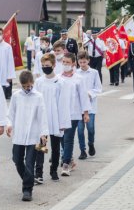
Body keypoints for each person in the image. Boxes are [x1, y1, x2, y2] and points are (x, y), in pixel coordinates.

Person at [7, 71, 49, 202]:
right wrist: (9, 125)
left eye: (29, 86)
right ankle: (28, 178)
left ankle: (27, 189)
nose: (27, 88)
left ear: (33, 83)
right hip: (19, 134)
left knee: (30, 162)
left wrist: (43, 133)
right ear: (21, 84)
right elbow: (11, 113)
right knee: (17, 159)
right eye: (24, 86)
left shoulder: (38, 96)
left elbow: (42, 115)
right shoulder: (16, 96)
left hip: (34, 135)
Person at [34, 53, 71, 183]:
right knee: (40, 147)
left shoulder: (61, 82)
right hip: (42, 118)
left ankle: (53, 170)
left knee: (55, 147)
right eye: (43, 66)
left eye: (48, 65)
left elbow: (64, 103)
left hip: (55, 117)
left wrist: (63, 122)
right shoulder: (38, 82)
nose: (45, 68)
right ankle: (38, 173)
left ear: (54, 65)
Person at [59, 52, 91, 176]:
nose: (65, 64)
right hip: (61, 113)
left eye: (67, 62)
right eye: (63, 62)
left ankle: (66, 164)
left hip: (74, 113)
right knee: (62, 138)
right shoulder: (58, 78)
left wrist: (86, 113)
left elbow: (83, 96)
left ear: (73, 63)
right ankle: (70, 159)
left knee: (68, 138)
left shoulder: (78, 79)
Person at [76, 51, 102, 159]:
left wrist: (90, 94)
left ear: (88, 61)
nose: (82, 64)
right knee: (80, 130)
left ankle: (91, 143)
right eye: (80, 62)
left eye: (84, 62)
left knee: (90, 128)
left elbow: (98, 88)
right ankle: (82, 150)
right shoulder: (76, 73)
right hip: (78, 107)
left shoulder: (94, 73)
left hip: (90, 105)